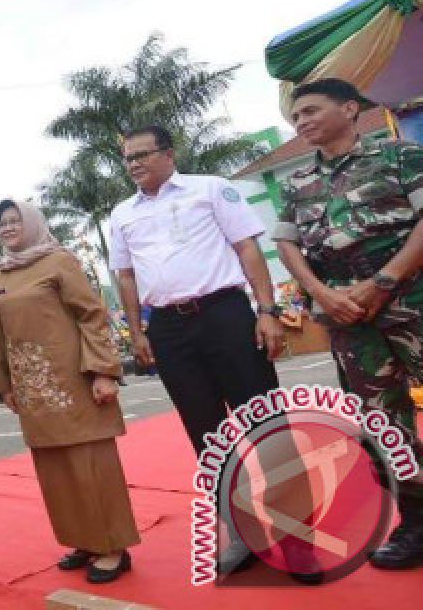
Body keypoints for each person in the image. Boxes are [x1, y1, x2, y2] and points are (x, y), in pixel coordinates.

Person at [107, 125, 310, 576]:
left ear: (168, 153)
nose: (134, 163)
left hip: (226, 316)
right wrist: (138, 330)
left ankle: (298, 539)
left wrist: (267, 310)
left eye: (143, 154)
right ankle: (243, 537)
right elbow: (125, 277)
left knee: (266, 425)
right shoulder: (122, 214)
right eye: (127, 158)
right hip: (168, 331)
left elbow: (247, 249)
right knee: (208, 437)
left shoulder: (211, 189)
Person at [272, 78, 423, 570]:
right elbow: (288, 245)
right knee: (385, 423)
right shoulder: (298, 185)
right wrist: (321, 294)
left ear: (350, 109)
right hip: (347, 319)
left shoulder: (400, 157)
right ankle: (417, 525)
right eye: (296, 117)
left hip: (411, 302)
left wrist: (384, 280)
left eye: (312, 110)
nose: (302, 121)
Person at [0, 200, 139, 583]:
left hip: (77, 381)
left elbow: (91, 315)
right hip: (32, 389)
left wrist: (103, 371)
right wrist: (3, 384)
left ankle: (113, 548)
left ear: (33, 223)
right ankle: (86, 540)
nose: (7, 228)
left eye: (14, 220)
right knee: (57, 474)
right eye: (1, 223)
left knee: (92, 467)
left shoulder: (59, 261)